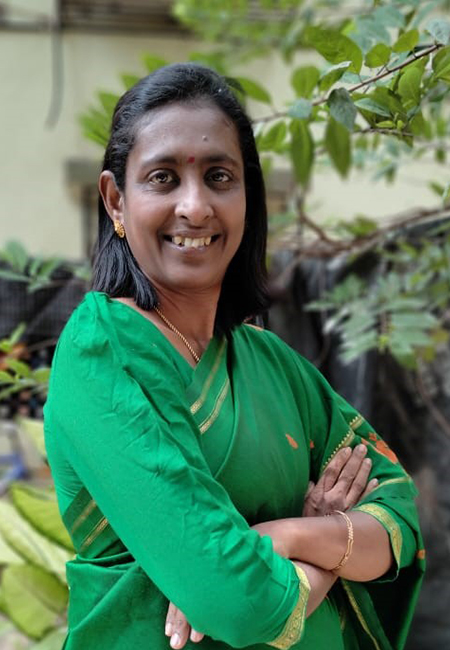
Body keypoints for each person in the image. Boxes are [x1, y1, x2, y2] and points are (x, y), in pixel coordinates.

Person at [43, 63, 424, 650]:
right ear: (116, 200)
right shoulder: (103, 351)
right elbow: (235, 601)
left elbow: (399, 518)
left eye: (219, 177)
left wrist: (284, 537)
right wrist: (328, 540)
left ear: (247, 197)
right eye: (163, 178)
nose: (195, 207)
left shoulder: (271, 362)